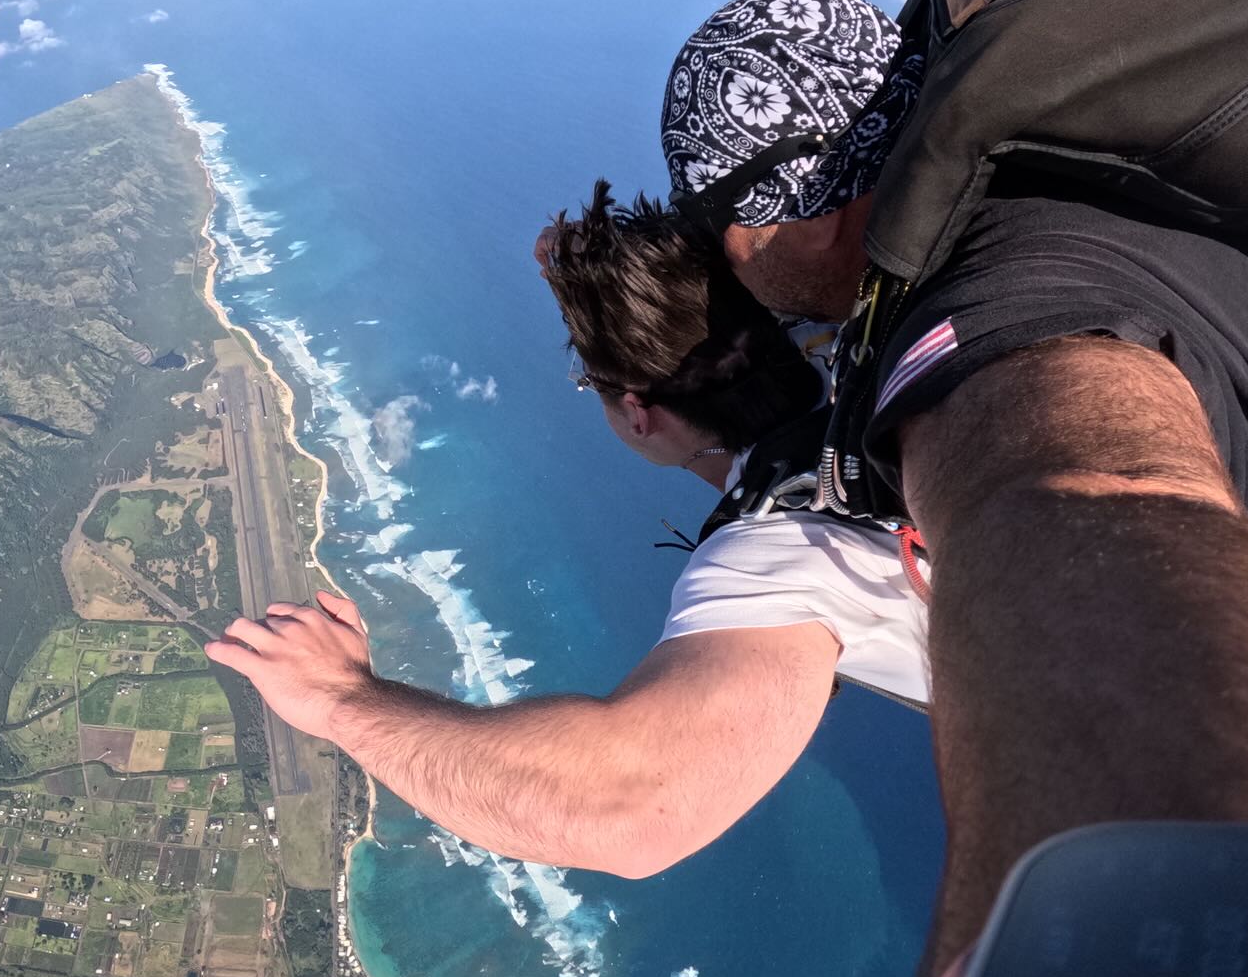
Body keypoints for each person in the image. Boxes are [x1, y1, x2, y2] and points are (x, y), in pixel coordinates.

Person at [655, 0, 1248, 977]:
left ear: (779, 206)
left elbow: (1093, 492)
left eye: (720, 224)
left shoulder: (989, 308)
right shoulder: (1057, 180)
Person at [204, 176, 931, 886]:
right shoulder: (877, 350)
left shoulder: (777, 555)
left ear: (637, 413)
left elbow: (631, 812)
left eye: (594, 388)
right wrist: (593, 279)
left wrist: (338, 697)